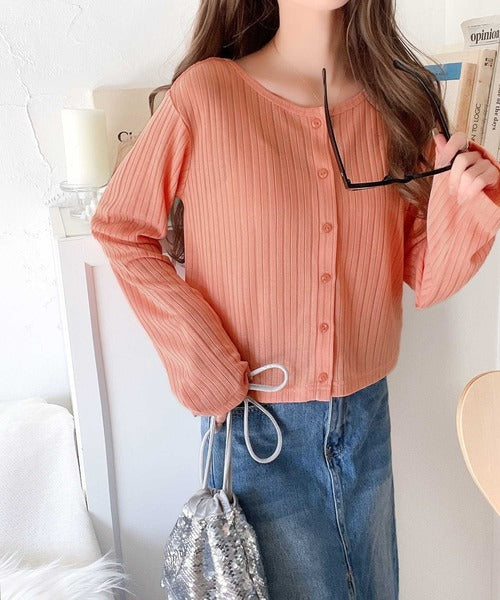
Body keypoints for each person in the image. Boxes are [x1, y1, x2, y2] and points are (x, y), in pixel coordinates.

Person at [90, 0, 500, 597]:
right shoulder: (206, 96)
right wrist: (200, 357)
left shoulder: (397, 100)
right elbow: (121, 227)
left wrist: (467, 204)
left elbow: (424, 273)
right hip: (256, 433)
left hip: (366, 421)